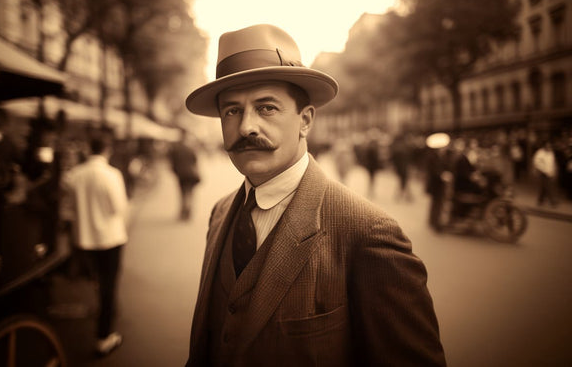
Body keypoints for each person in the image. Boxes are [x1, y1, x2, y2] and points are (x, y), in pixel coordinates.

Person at [184, 24, 445, 366]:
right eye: (231, 111)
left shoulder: (367, 232)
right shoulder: (220, 213)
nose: (246, 126)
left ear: (305, 120)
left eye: (266, 108)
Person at [62, 134, 128, 356]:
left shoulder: (74, 175)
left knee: (97, 278)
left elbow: (68, 207)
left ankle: (103, 309)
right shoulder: (111, 175)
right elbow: (118, 208)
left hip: (84, 238)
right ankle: (104, 337)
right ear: (107, 149)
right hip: (110, 238)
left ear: (89, 148)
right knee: (109, 284)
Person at [169, 128, 201, 220]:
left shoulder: (176, 149)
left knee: (183, 193)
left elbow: (172, 163)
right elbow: (195, 161)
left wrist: (175, 172)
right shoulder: (190, 148)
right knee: (189, 193)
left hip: (181, 175)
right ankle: (188, 212)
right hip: (190, 174)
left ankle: (183, 212)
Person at [532, 140, 558, 207]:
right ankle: (553, 202)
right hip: (542, 173)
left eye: (550, 146)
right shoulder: (540, 153)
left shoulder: (551, 153)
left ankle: (540, 200)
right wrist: (543, 169)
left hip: (550, 172)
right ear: (544, 146)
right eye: (547, 146)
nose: (549, 147)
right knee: (549, 187)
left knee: (544, 187)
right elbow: (536, 163)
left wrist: (553, 171)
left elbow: (553, 162)